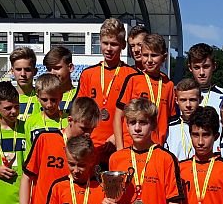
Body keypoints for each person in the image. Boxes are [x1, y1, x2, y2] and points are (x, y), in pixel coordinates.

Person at [76, 18, 133, 166]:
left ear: (123, 45)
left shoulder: (132, 75)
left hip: (121, 145)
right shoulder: (88, 74)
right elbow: (80, 112)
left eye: (113, 44)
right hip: (92, 147)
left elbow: (135, 114)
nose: (108, 48)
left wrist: (116, 137)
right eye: (105, 43)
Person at [114, 33, 176, 149]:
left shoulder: (169, 85)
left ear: (164, 57)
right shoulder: (133, 80)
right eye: (145, 55)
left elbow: (171, 121)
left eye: (154, 55)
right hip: (131, 146)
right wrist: (120, 148)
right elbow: (118, 116)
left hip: (156, 147)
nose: (149, 60)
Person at [187, 43, 223, 113]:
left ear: (214, 66)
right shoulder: (182, 96)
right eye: (197, 68)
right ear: (190, 68)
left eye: (206, 67)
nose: (202, 73)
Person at [164, 77, 201, 160]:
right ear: (176, 101)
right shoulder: (169, 128)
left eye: (192, 100)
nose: (188, 105)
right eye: (183, 100)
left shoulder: (207, 127)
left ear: (200, 100)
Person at [26, 72, 68, 143]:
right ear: (38, 97)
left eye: (53, 100)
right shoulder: (31, 122)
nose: (49, 105)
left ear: (61, 97)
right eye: (44, 100)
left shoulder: (69, 121)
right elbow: (29, 149)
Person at [43, 45, 78, 112]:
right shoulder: (41, 97)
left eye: (57, 68)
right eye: (49, 69)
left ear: (70, 68)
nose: (52, 73)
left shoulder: (80, 95)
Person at [9, 46, 39, 120]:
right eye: (18, 69)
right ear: (12, 71)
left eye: (27, 70)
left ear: (35, 71)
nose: (23, 74)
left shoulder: (42, 98)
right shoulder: (6, 98)